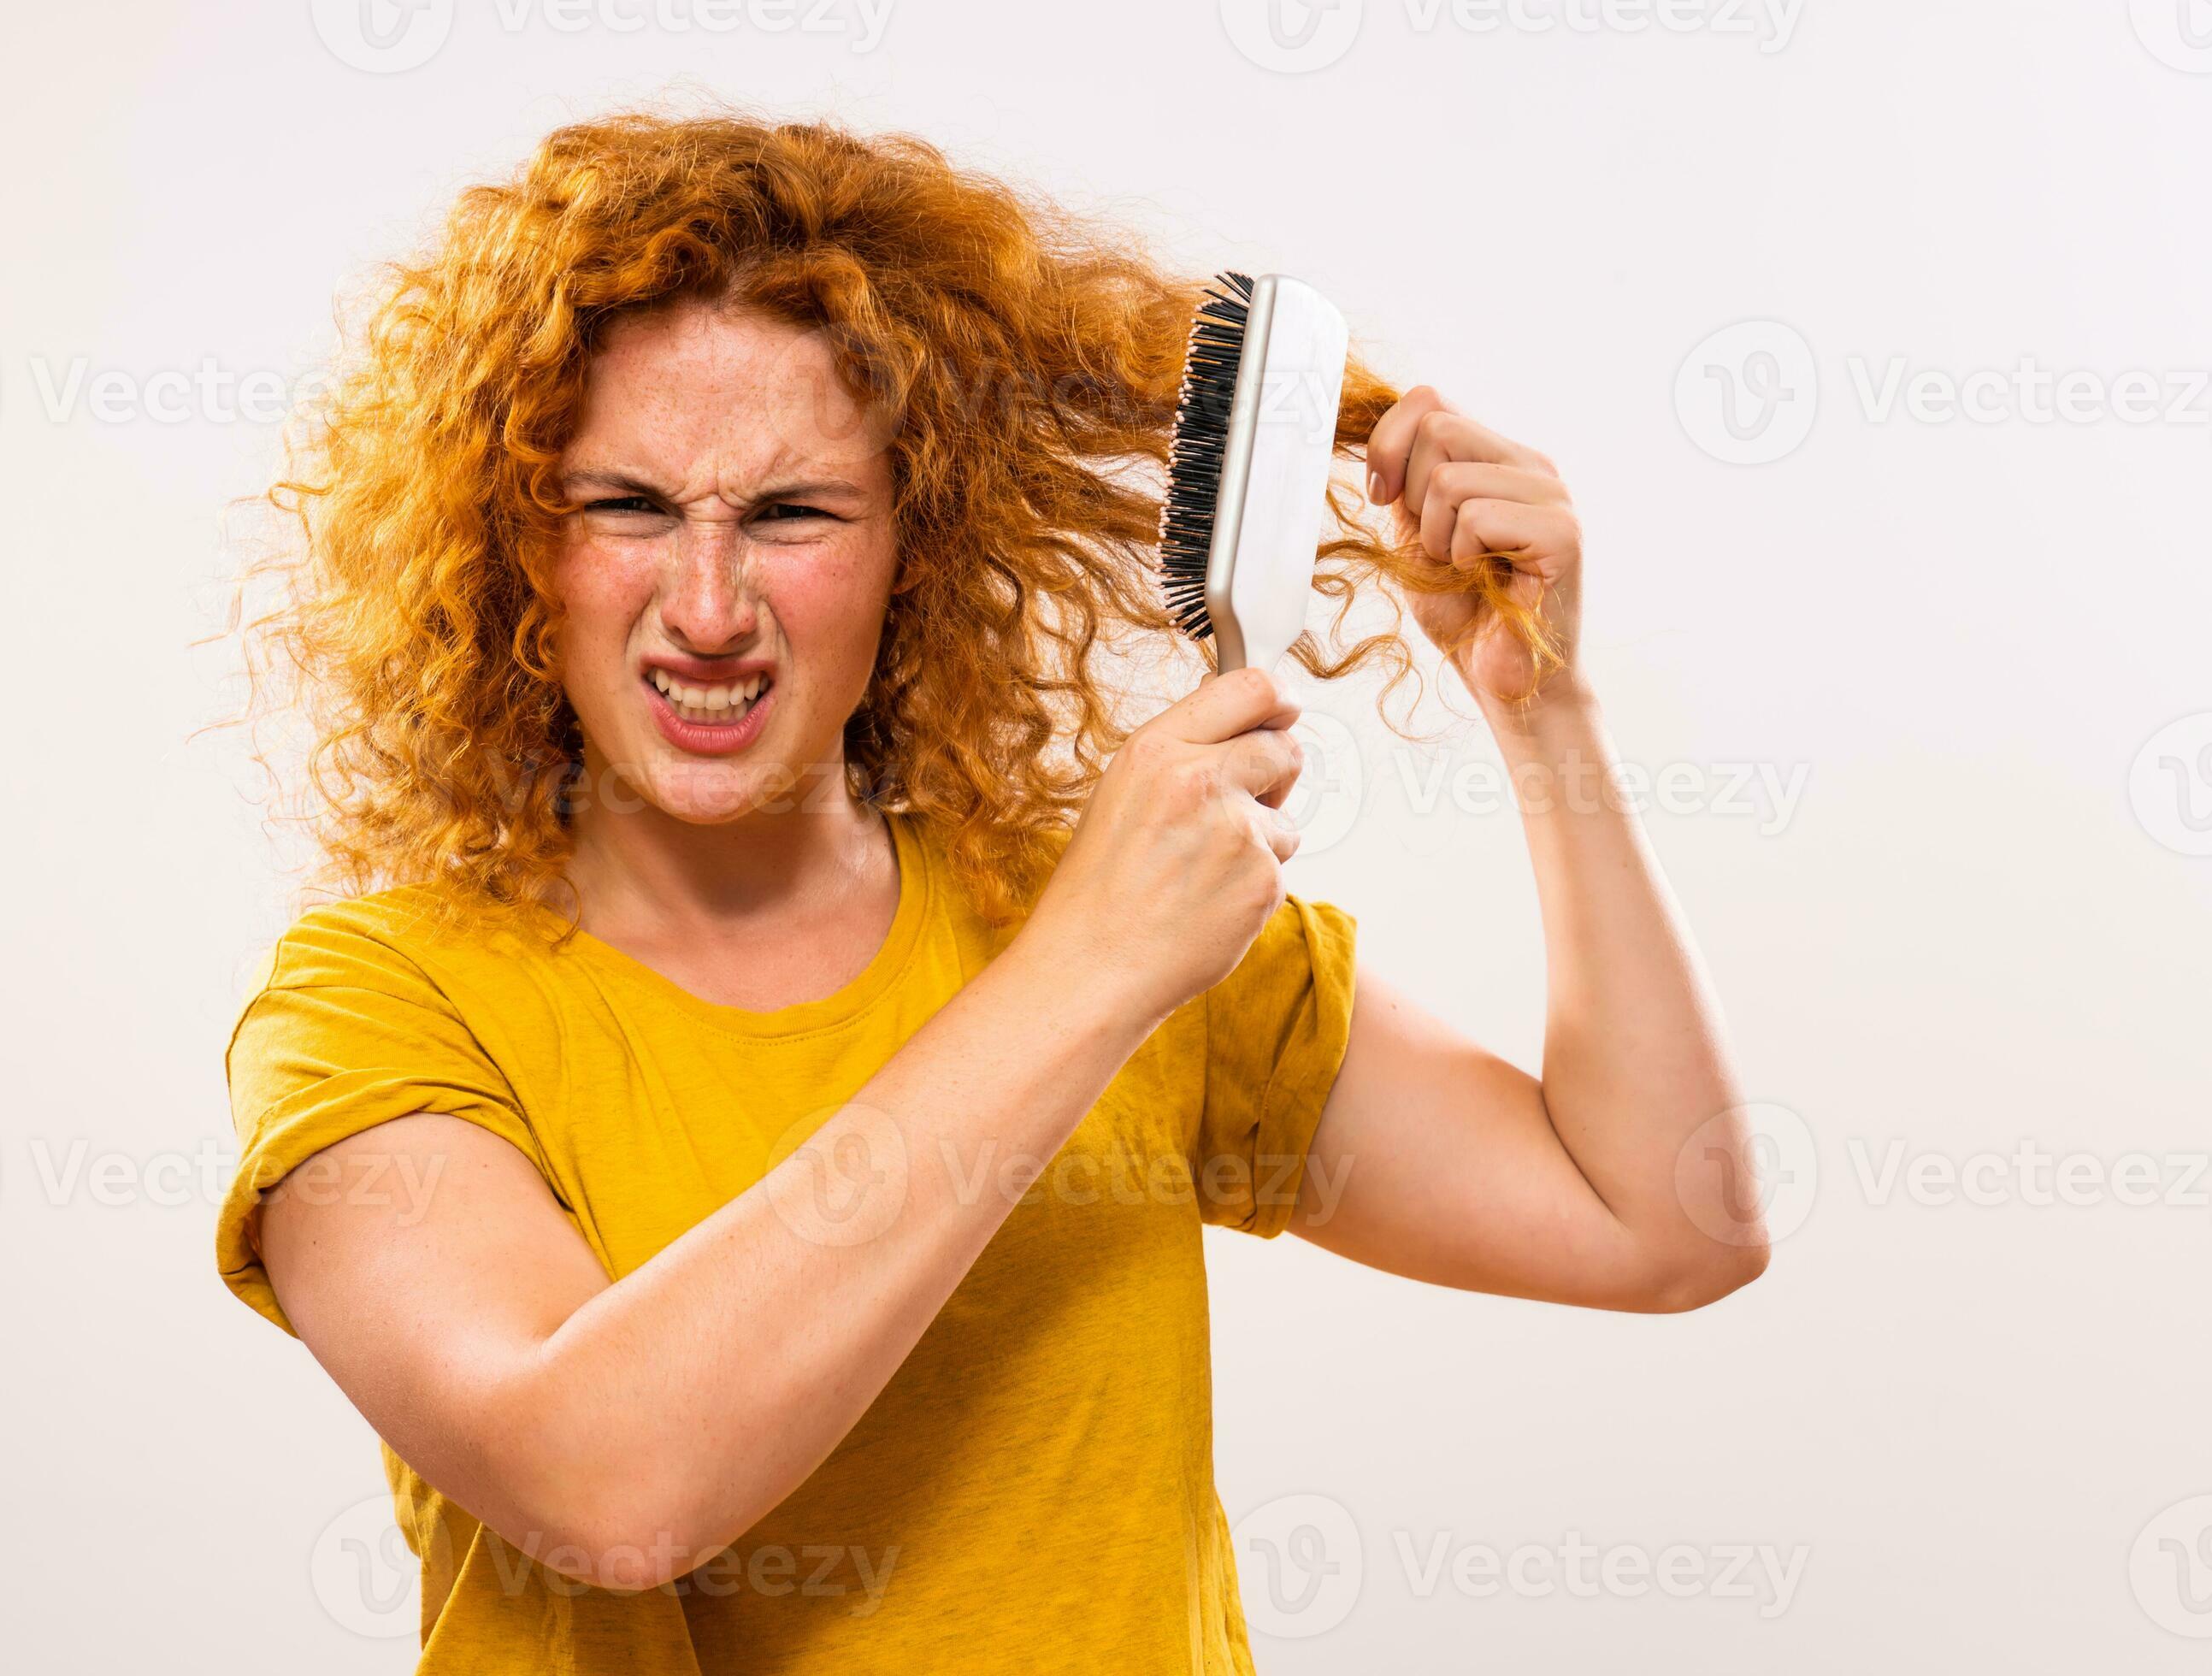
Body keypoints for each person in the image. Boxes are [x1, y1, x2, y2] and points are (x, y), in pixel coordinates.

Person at [215, 109, 1769, 1674]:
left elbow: (1666, 1220)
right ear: (516, 545)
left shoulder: (1092, 914)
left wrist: (1541, 709)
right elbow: (605, 1482)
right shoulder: (376, 1005)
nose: (705, 607)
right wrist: (1087, 973)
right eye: (625, 506)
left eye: (792, 512)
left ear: (917, 542)